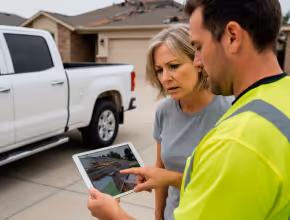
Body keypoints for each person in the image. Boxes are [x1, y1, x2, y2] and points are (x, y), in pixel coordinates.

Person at [87, 0, 290, 219]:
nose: (198, 61)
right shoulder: (279, 97)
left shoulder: (234, 141)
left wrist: (112, 214)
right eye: (159, 70)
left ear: (233, 36)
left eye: (200, 47)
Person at [146, 24, 232, 220]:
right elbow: (161, 166)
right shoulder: (163, 111)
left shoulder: (231, 110)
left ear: (199, 61)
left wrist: (172, 179)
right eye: (159, 70)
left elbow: (229, 184)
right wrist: (159, 214)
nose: (165, 78)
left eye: (174, 66)